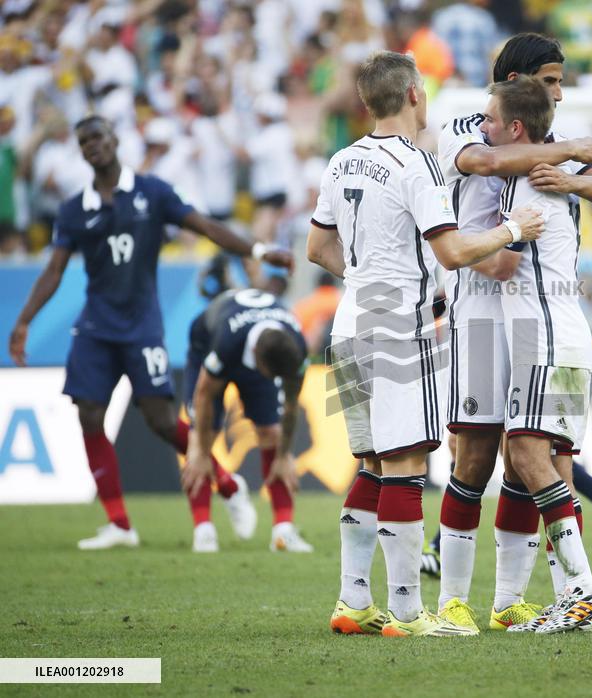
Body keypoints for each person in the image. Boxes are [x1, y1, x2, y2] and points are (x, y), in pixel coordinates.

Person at [305, 50, 543, 638]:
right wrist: (514, 228)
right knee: (406, 463)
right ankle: (408, 613)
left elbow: (317, 248)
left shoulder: (340, 161)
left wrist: (366, 280)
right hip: (397, 327)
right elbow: (453, 253)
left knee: (371, 464)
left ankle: (353, 601)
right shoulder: (418, 164)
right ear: (414, 94)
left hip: (350, 320)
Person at [8, 115, 292, 550]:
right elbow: (54, 269)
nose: (92, 146)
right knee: (88, 415)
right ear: (80, 152)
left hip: (141, 325)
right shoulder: (73, 210)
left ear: (114, 140)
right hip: (95, 327)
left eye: (98, 137)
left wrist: (256, 249)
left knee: (160, 420)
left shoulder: (152, 192)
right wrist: (24, 319)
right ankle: (120, 524)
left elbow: (205, 226)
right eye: (84, 142)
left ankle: (227, 483)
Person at [434, 32, 592, 634]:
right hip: (481, 315)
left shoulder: (545, 155)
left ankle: (536, 597)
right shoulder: (471, 126)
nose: (559, 93)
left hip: (536, 321)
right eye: (550, 82)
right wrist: (568, 154)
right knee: (476, 455)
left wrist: (570, 174)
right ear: (517, 81)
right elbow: (488, 163)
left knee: (539, 459)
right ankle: (455, 601)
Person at [480, 76, 592, 634]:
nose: (481, 127)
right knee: (537, 461)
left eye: (489, 119)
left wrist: (449, 249)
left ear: (515, 129)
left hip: (545, 335)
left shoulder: (529, 182)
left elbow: (503, 266)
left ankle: (582, 586)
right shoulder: (544, 172)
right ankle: (561, 596)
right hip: (559, 332)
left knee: (528, 455)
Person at [179, 288, 312, 554]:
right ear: (257, 358)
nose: (273, 380)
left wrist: (284, 454)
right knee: (200, 440)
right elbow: (204, 394)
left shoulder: (296, 344)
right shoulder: (228, 342)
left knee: (271, 434)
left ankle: (283, 530)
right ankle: (203, 530)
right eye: (270, 375)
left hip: (256, 345)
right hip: (207, 342)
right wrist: (201, 451)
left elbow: (290, 403)